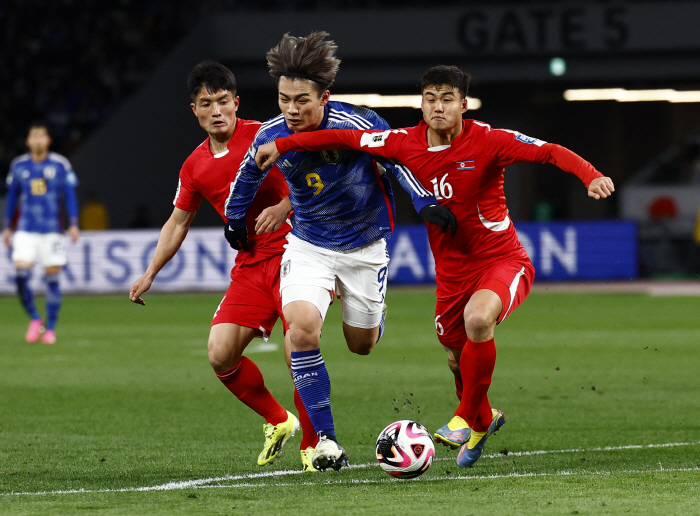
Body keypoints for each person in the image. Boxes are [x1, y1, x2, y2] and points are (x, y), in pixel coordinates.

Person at [254, 65, 616, 468]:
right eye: (430, 99)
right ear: (421, 104)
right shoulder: (402, 142)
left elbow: (548, 151)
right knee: (454, 355)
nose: (438, 107)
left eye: (447, 99)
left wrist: (591, 175)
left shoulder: (490, 140)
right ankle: (483, 418)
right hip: (452, 273)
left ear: (463, 105)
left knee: (479, 320)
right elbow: (345, 137)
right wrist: (284, 146)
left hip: (501, 259)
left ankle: (464, 416)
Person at [225, 32, 454, 472]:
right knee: (301, 331)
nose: (291, 110)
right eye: (283, 99)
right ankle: (325, 440)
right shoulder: (271, 134)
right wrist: (234, 217)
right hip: (308, 244)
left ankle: (371, 314)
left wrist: (425, 201)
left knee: (360, 345)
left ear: (325, 96)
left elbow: (397, 161)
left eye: (302, 100)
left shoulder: (359, 123)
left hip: (366, 247)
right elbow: (248, 174)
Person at [128, 61, 319, 472]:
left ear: (236, 102)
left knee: (295, 349)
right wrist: (150, 273)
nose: (215, 110)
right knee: (220, 354)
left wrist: (286, 204)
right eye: (205, 104)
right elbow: (178, 222)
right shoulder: (194, 165)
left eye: (221, 102)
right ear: (194, 110)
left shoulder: (267, 134)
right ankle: (278, 420)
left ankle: (313, 443)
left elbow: (316, 171)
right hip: (250, 263)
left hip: (297, 252)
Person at [3, 122, 80, 345]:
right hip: (25, 229)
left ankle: (51, 329)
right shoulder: (18, 166)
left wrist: (73, 223)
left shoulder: (59, 164)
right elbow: (11, 198)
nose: (37, 140)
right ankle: (36, 318)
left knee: (52, 280)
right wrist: (7, 226)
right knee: (21, 276)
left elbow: (69, 194)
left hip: (51, 232)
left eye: (41, 136)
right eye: (33, 136)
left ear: (48, 140)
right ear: (28, 142)